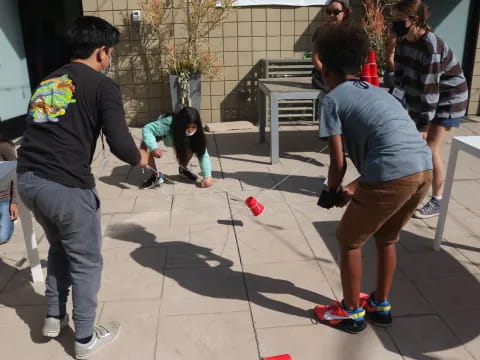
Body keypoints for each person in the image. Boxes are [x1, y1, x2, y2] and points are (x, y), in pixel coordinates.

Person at [17, 16, 141, 359]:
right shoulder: (103, 86)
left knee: (60, 248)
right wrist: (142, 157)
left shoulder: (48, 81)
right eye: (111, 52)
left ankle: (55, 316)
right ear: (101, 51)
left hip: (28, 181)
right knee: (86, 261)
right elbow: (121, 145)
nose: (111, 59)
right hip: (64, 186)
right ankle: (85, 338)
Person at [313, 22, 433, 333]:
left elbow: (338, 165)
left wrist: (331, 191)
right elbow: (393, 148)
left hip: (393, 173)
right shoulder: (377, 93)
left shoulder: (331, 100)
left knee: (348, 240)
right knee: (386, 237)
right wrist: (352, 189)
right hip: (423, 169)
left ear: (325, 70)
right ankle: (380, 304)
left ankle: (351, 312)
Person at [391, 0, 469, 219]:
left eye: (398, 20)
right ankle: (412, 189)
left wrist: (423, 124)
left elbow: (430, 90)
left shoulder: (431, 47)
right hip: (424, 97)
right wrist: (395, 107)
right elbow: (400, 77)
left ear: (414, 20)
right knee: (414, 144)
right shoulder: (404, 41)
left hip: (448, 98)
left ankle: (437, 200)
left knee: (429, 147)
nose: (394, 24)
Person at [139, 107, 213, 189]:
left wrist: (207, 177)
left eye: (193, 127)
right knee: (144, 155)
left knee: (195, 146)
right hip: (161, 134)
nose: (190, 130)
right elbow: (147, 129)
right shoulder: (168, 122)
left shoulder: (197, 133)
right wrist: (154, 147)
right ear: (180, 124)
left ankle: (183, 169)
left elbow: (203, 153)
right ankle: (155, 176)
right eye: (188, 127)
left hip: (179, 138)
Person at [311, 0, 352, 85]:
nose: (331, 15)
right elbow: (315, 59)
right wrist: (328, 73)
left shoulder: (351, 32)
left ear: (345, 12)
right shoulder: (321, 32)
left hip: (345, 75)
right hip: (324, 74)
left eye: (336, 12)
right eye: (329, 12)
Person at [0, 135, 18, 244]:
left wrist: (14, 202)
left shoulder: (4, 146)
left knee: (2, 237)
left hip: (3, 199)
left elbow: (16, 172)